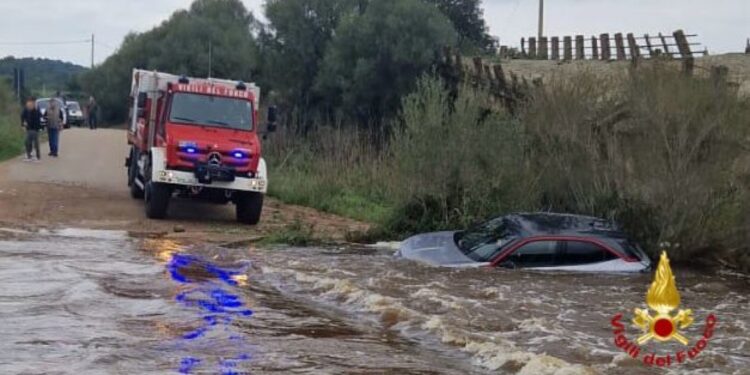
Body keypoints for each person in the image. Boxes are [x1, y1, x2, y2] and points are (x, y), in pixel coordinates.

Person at [20, 97, 42, 162]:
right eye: (29, 102)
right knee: (27, 142)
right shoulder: (26, 108)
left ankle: (38, 157)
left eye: (31, 102)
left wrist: (34, 109)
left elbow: (39, 117)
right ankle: (29, 156)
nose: (29, 104)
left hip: (35, 128)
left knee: (36, 143)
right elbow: (22, 115)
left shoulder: (36, 109)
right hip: (28, 128)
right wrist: (23, 124)